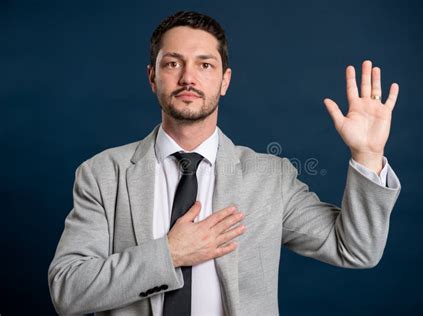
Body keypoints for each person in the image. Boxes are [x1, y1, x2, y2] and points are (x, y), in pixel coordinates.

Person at [48, 10, 401, 316]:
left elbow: (355, 249)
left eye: (205, 64)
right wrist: (169, 254)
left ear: (224, 81)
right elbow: (67, 289)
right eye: (172, 63)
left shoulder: (269, 178)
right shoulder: (102, 174)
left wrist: (367, 156)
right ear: (152, 77)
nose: (188, 77)